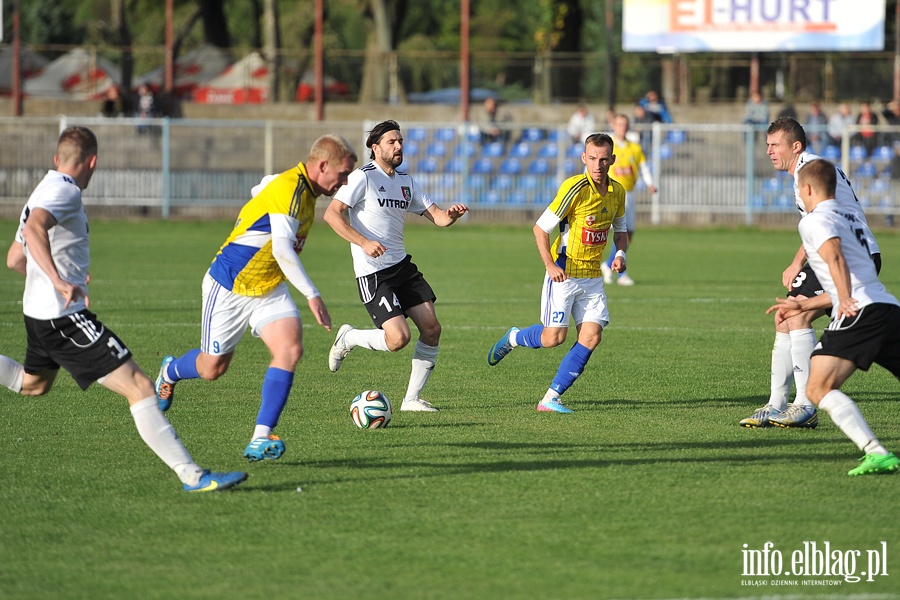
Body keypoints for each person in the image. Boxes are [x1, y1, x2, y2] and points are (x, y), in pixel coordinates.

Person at [0, 127, 247, 492]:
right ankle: (193, 476)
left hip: (39, 316)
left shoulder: (42, 188)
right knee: (141, 387)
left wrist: (54, 277)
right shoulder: (65, 189)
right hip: (63, 318)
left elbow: (14, 258)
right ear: (93, 162)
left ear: (57, 158)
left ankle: (193, 475)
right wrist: (59, 281)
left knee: (32, 385)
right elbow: (36, 230)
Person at [155, 135, 358, 461]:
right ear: (322, 166)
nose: (345, 182)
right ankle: (170, 372)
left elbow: (262, 189)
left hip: (269, 287)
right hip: (231, 285)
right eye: (343, 174)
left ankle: (260, 438)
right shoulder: (291, 189)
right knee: (212, 369)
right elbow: (281, 247)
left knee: (290, 349)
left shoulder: (298, 187)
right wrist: (312, 294)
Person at [741, 117, 880, 429]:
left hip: (851, 258)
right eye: (767, 145)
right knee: (785, 316)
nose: (768, 151)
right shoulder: (805, 169)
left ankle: (805, 404)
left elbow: (823, 222)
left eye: (774, 145)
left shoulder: (809, 170)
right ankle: (776, 403)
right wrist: (799, 261)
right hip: (830, 255)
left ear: (796, 146)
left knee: (798, 316)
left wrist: (795, 263)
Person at [323, 120, 469, 413]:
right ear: (375, 148)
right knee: (398, 339)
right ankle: (349, 337)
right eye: (392, 142)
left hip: (401, 266)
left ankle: (411, 399)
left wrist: (451, 214)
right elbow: (332, 215)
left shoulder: (406, 182)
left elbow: (438, 217)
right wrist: (363, 242)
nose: (398, 146)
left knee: (432, 328)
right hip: (373, 271)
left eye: (400, 141)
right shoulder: (361, 178)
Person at [767, 159, 899, 476]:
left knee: (817, 389)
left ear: (808, 188)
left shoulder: (813, 222)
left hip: (858, 312)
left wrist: (843, 299)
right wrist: (804, 305)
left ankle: (875, 452)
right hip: (887, 305)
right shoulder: (850, 214)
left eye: (799, 188)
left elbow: (834, 254)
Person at [486, 133, 627, 413]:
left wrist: (620, 254)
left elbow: (620, 231)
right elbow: (540, 229)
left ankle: (550, 398)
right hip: (564, 273)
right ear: (583, 158)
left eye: (603, 159)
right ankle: (514, 337)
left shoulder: (618, 192)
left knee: (591, 337)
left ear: (612, 160)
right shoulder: (574, 188)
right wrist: (550, 265)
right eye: (592, 159)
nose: (597, 165)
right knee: (554, 338)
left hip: (592, 279)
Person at [601, 113, 657, 286]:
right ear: (614, 125)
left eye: (625, 124)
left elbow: (643, 167)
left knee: (629, 233)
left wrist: (649, 183)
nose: (622, 127)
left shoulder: (635, 148)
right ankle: (620, 273)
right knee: (619, 232)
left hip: (630, 194)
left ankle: (610, 264)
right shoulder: (608, 146)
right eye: (619, 124)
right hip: (612, 193)